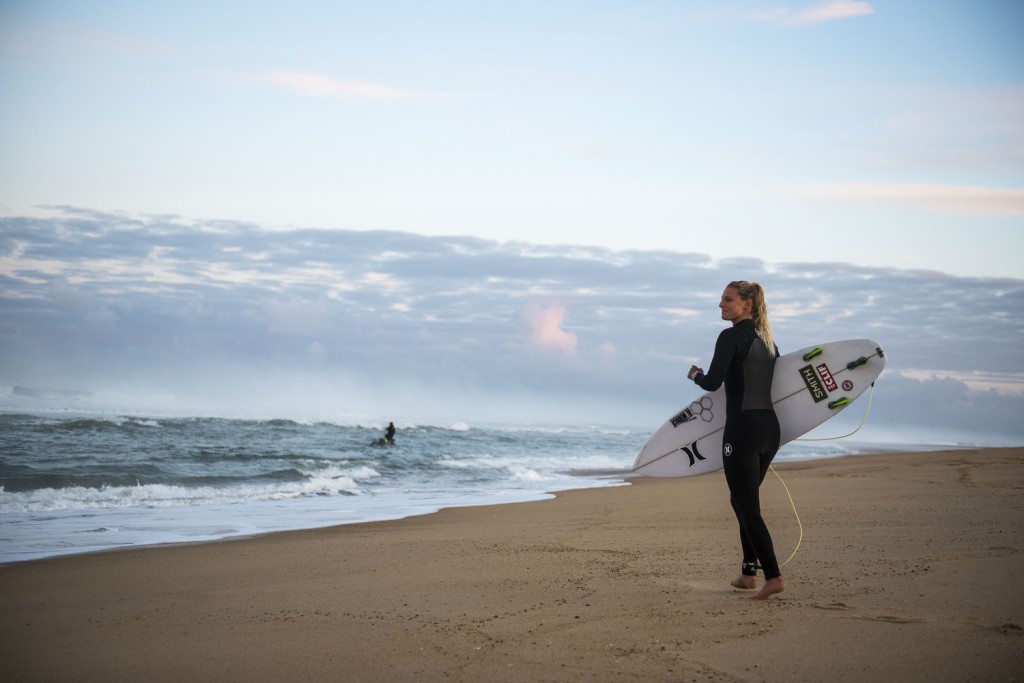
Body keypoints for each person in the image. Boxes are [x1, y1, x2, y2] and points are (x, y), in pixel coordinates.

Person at [687, 280, 785, 600]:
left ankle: (773, 577)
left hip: (742, 430)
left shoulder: (730, 336)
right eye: (721, 300)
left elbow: (713, 381)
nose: (721, 305)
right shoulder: (769, 341)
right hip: (770, 430)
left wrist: (696, 375)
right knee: (743, 501)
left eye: (728, 300)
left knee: (745, 505)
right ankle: (748, 573)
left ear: (747, 305)